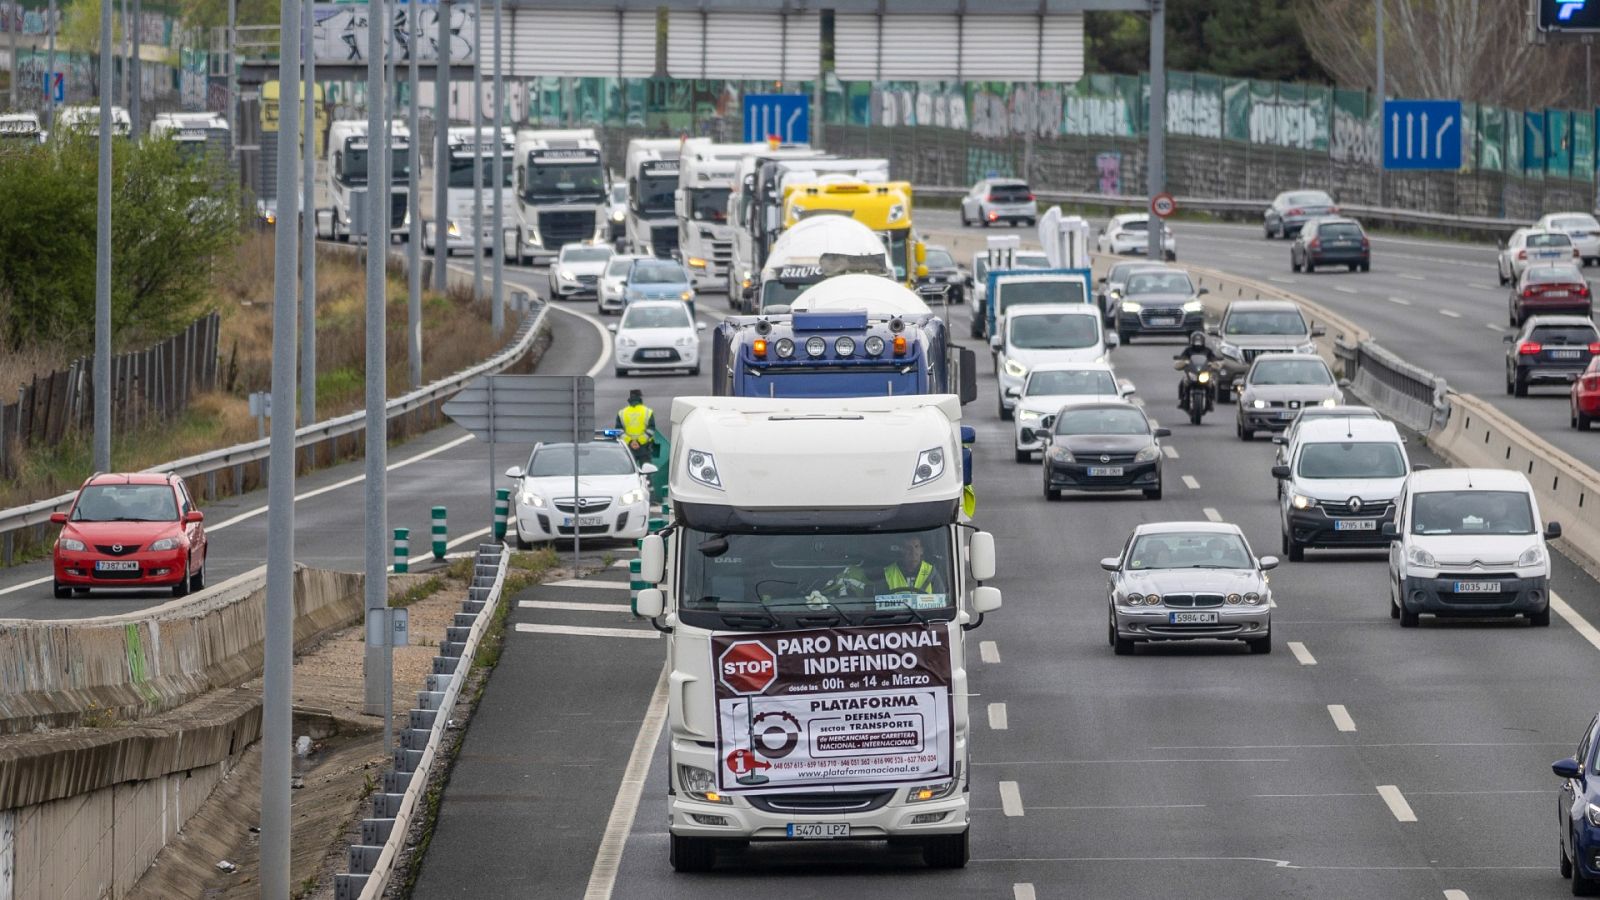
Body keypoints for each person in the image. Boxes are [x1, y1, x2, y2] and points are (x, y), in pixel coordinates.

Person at [1173, 331, 1221, 408]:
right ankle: (1182, 400)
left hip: (1204, 372)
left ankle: (1210, 400)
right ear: (1192, 341)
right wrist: (1184, 362)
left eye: (1199, 341)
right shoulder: (1188, 350)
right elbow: (1182, 358)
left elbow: (1213, 359)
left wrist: (1213, 363)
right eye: (1196, 341)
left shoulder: (1207, 350)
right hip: (1191, 372)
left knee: (1212, 383)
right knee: (1183, 382)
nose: (1197, 343)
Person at [616, 389, 657, 465]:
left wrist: (630, 442)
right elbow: (651, 430)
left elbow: (619, 431)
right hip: (644, 448)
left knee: (628, 473)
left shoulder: (622, 412)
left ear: (630, 399)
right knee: (646, 472)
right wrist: (638, 441)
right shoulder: (647, 411)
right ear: (640, 398)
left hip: (628, 448)